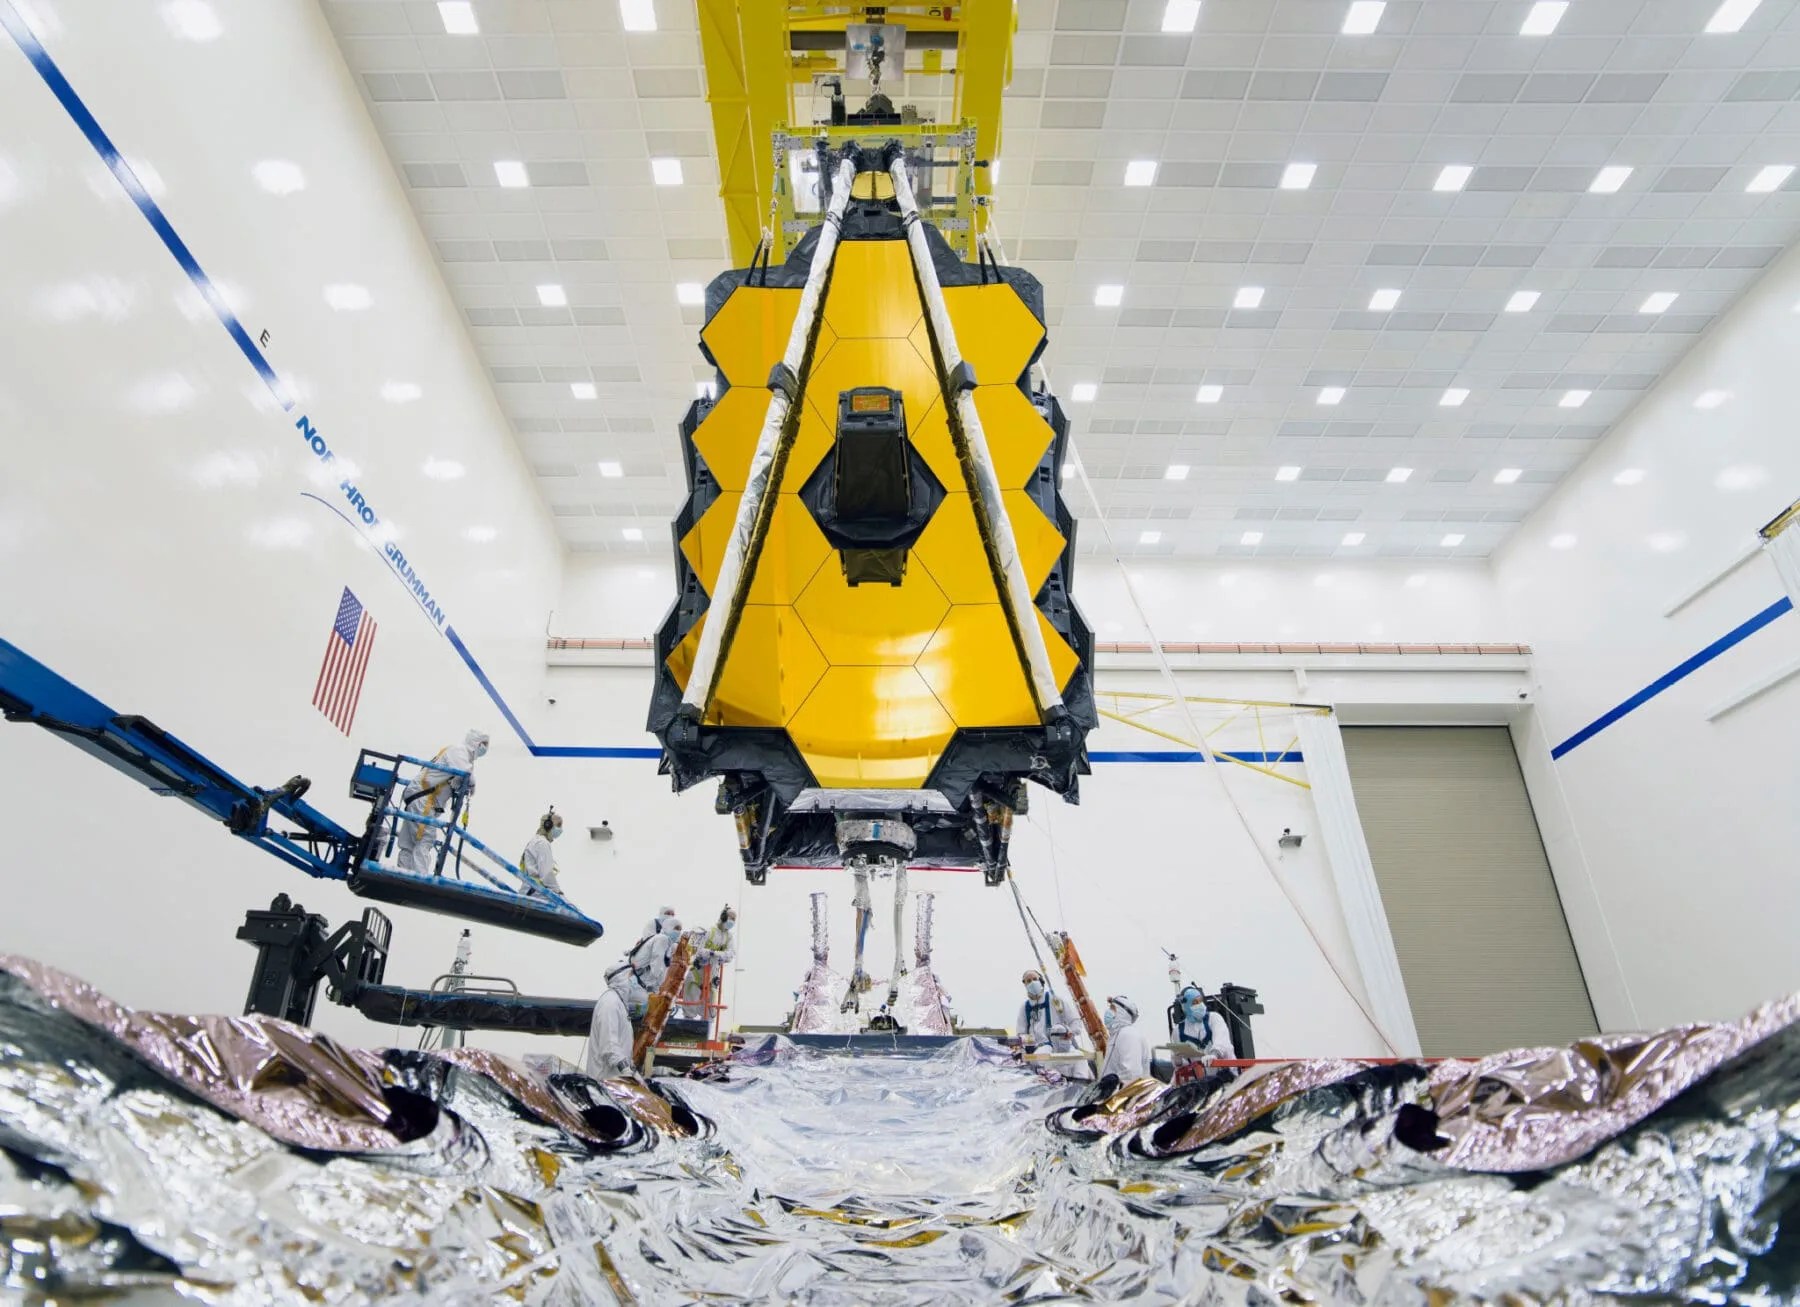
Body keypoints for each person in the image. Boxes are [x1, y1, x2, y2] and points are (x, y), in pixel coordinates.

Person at [395, 729, 488, 873]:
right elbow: (466, 774)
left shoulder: (459, 755)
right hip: (424, 798)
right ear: (475, 742)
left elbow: (456, 780)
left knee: (409, 842)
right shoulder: (459, 751)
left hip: (419, 796)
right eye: (483, 744)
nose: (485, 749)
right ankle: (419, 878)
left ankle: (403, 874)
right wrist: (472, 785)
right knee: (425, 838)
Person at [680, 904, 737, 1016]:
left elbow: (730, 955)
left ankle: (705, 1028)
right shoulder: (708, 930)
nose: (732, 922)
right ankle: (687, 1025)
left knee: (710, 1010)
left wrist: (713, 953)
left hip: (712, 974)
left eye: (734, 920)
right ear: (723, 917)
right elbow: (696, 950)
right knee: (691, 1003)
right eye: (731, 918)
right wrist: (718, 954)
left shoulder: (728, 937)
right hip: (697, 972)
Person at [584, 964, 637, 1080]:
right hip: (604, 1080)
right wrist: (625, 1069)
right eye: (631, 976)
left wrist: (632, 1069)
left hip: (614, 1079)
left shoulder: (619, 1003)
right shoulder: (610, 1003)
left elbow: (622, 1044)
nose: (634, 980)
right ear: (621, 978)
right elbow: (609, 1045)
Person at [1098, 995, 1150, 1084]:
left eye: (1112, 1008)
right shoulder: (1117, 1035)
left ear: (1122, 1012)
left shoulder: (1128, 1035)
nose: (1108, 1012)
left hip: (1127, 1094)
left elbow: (1132, 1074)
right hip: (1115, 1094)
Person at [1015, 969, 1070, 1050]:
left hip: (1060, 1047)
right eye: (1029, 981)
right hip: (1037, 1051)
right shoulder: (1024, 1007)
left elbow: (1074, 1021)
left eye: (1035, 979)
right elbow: (1021, 1033)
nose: (1032, 983)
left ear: (1041, 981)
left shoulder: (1055, 1000)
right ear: (1025, 985)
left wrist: (1070, 1033)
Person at [519, 807, 564, 898]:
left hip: (530, 891)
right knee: (570, 908)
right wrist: (558, 892)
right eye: (558, 825)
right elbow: (547, 874)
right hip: (536, 893)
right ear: (548, 825)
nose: (561, 829)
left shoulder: (536, 840)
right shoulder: (542, 843)